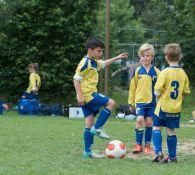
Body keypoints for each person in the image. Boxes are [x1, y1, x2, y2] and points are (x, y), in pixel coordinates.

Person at [73, 37, 128, 158]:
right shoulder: (85, 62)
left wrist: (118, 57)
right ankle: (97, 128)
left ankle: (87, 152)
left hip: (87, 96)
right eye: (98, 51)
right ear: (90, 50)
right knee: (111, 103)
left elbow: (103, 63)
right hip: (89, 95)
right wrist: (80, 96)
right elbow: (76, 79)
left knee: (88, 123)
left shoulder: (93, 61)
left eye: (101, 51)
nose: (101, 53)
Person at [152, 43, 190, 163]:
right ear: (180, 57)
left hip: (163, 107)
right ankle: (172, 156)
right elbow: (185, 92)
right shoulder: (183, 73)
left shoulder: (164, 72)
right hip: (175, 109)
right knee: (171, 131)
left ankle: (158, 152)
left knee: (156, 128)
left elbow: (157, 91)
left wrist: (157, 97)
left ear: (166, 57)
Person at [128, 43, 160, 154]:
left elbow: (161, 87)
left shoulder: (156, 71)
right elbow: (133, 88)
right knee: (139, 120)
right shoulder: (137, 71)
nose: (145, 58)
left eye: (147, 55)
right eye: (143, 56)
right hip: (139, 102)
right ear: (140, 57)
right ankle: (138, 145)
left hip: (152, 102)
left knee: (149, 123)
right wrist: (131, 102)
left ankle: (147, 145)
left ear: (152, 57)